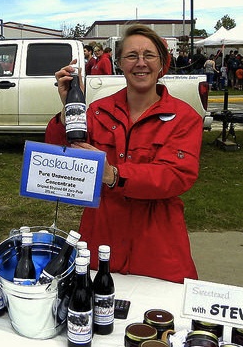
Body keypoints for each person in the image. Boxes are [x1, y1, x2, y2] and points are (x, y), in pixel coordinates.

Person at [45, 24, 201, 283]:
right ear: (119, 63)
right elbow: (59, 157)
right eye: (132, 56)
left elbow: (176, 175)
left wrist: (115, 175)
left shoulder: (184, 118)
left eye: (149, 55)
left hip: (158, 246)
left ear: (163, 63)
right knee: (95, 309)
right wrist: (68, 109)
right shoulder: (96, 111)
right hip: (100, 238)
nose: (141, 63)